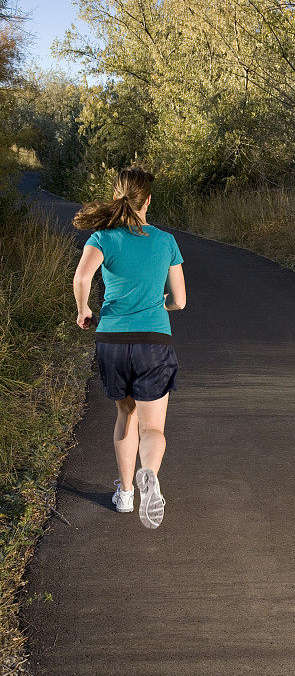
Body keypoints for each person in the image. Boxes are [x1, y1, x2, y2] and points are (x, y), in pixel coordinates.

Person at [72, 166, 186, 529]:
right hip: (154, 340)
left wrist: (84, 310)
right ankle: (148, 473)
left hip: (113, 341)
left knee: (126, 414)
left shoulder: (102, 238)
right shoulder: (166, 241)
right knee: (153, 429)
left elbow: (82, 277)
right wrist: (159, 303)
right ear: (148, 200)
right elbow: (180, 301)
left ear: (118, 195)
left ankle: (124, 495)